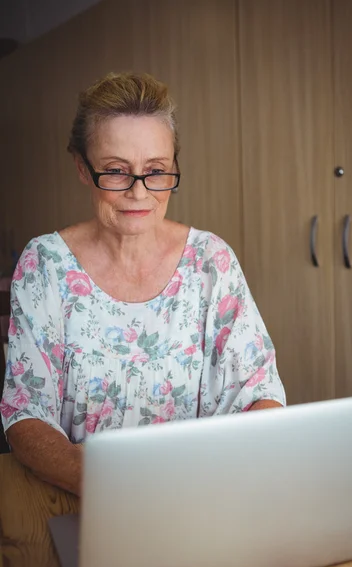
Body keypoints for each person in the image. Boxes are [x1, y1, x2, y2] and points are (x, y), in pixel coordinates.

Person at [0, 72, 285, 496]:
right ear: (82, 167)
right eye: (116, 171)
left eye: (156, 170)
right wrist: (100, 482)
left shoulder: (211, 262)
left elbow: (260, 393)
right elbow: (25, 412)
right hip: (82, 499)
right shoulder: (45, 266)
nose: (139, 192)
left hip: (200, 496)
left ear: (173, 167)